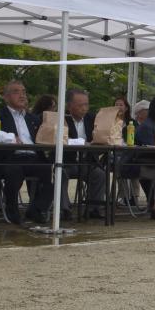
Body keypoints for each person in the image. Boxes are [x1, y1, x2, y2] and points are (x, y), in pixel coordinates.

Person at [0, 80, 54, 226]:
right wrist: (11, 138)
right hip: (10, 157)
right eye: (16, 92)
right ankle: (12, 209)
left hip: (32, 156)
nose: (22, 95)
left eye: (24, 92)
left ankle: (36, 209)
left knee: (52, 171)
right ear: (6, 97)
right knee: (14, 171)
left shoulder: (33, 118)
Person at [62, 88, 105, 218]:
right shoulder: (62, 120)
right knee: (60, 173)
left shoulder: (92, 119)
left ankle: (93, 209)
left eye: (86, 104)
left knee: (100, 174)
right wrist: (81, 143)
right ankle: (64, 209)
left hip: (86, 162)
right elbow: (61, 140)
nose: (84, 108)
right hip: (67, 162)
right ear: (69, 106)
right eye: (80, 105)